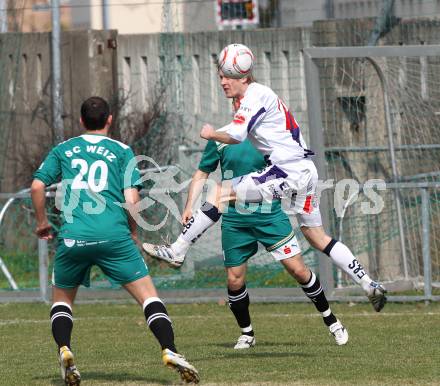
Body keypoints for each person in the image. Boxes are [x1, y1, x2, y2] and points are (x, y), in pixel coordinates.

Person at [143, 43, 387, 313]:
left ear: (244, 77)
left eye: (228, 77)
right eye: (221, 76)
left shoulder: (256, 95)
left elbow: (235, 136)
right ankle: (368, 283)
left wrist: (211, 134)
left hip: (287, 170)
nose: (223, 82)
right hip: (304, 171)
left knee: (221, 192)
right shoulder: (260, 96)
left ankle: (178, 249)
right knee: (316, 237)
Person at [31, 97, 199, 385]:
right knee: (149, 297)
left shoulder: (64, 149)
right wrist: (133, 232)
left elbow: (37, 185)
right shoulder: (122, 151)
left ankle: (65, 349)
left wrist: (42, 222)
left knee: (62, 302)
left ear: (81, 121)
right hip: (114, 236)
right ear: (109, 120)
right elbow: (132, 200)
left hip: (74, 237)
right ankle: (169, 349)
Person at [152, 137, 350, 348]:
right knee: (234, 280)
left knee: (299, 271)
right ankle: (247, 333)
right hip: (235, 219)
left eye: (241, 101)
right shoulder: (220, 139)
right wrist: (189, 205)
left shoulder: (265, 136)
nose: (238, 104)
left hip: (269, 216)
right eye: (235, 102)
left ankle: (332, 321)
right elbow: (202, 172)